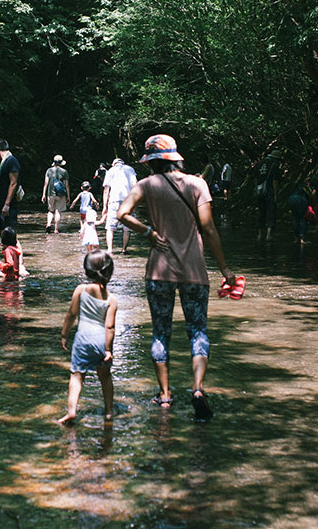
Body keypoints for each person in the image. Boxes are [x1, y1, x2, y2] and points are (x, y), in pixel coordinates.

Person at [118, 134, 236, 419]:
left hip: (159, 271)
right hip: (194, 271)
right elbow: (208, 229)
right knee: (198, 330)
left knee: (161, 332)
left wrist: (149, 233)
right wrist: (225, 270)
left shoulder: (146, 185)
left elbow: (122, 214)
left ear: (152, 161)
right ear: (174, 157)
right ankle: (197, 389)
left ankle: (166, 395)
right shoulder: (198, 184)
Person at [57, 250, 118, 424]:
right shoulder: (111, 299)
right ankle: (108, 412)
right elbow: (110, 326)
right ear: (109, 272)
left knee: (77, 376)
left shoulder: (80, 290)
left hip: (82, 339)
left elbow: (71, 314)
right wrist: (108, 349)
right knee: (105, 377)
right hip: (101, 341)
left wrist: (64, 335)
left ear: (87, 271)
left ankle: (71, 411)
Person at [101, 157, 137, 254]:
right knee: (127, 228)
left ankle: (109, 250)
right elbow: (135, 185)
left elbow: (106, 190)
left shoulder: (110, 171)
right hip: (128, 201)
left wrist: (104, 206)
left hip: (114, 201)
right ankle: (124, 250)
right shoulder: (130, 169)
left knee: (110, 227)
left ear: (114, 164)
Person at [0, 139, 21, 231]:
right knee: (2, 230)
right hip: (0, 202)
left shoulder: (11, 161)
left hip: (8, 205)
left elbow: (13, 183)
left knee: (9, 232)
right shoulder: (3, 163)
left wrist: (7, 204)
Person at [255, 149, 282, 241]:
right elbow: (275, 181)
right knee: (271, 211)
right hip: (269, 191)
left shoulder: (259, 163)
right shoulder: (274, 165)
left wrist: (257, 189)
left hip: (260, 191)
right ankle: (268, 234)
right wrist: (275, 194)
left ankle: (259, 234)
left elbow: (255, 178)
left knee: (261, 211)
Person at [42, 154, 70, 234]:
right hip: (61, 194)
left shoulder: (49, 170)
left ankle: (48, 224)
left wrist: (44, 194)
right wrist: (68, 196)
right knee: (58, 211)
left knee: (50, 211)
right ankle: (56, 229)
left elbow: (46, 183)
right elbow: (67, 185)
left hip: (50, 194)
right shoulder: (64, 172)